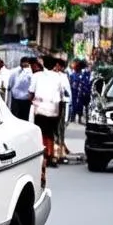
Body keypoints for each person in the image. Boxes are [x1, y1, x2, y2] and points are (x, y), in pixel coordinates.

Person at [31, 55, 68, 183]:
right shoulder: (59, 77)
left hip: (40, 109)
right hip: (54, 109)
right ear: (54, 65)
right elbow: (62, 95)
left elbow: (30, 93)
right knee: (51, 134)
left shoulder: (36, 76)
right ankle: (51, 155)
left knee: (42, 133)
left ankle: (44, 155)